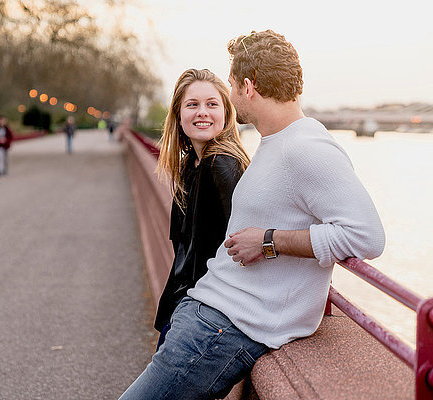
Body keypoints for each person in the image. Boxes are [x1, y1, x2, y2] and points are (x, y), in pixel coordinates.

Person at [119, 30, 385, 400]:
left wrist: (269, 240)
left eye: (228, 85)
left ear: (249, 85)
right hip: (206, 316)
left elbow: (366, 236)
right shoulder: (274, 143)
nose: (227, 96)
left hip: (221, 330)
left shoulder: (307, 147)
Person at [153, 68, 250, 351]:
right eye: (192, 105)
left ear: (226, 113)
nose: (202, 112)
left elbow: (239, 245)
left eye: (212, 104)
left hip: (205, 313)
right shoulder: (190, 165)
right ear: (178, 115)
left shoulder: (222, 164)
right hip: (185, 304)